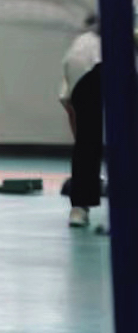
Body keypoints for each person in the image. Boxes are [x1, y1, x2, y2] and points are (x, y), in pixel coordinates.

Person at [63, 17, 104, 230]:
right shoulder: (84, 48)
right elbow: (70, 107)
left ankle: (80, 206)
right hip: (87, 69)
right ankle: (80, 204)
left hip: (87, 69)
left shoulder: (81, 45)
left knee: (87, 139)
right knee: (88, 139)